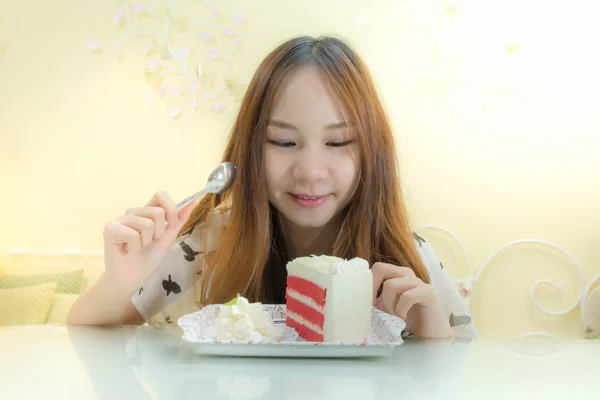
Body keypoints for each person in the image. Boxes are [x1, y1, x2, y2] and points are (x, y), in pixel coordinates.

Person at [67, 35, 477, 339]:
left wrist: (435, 340)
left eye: (337, 143)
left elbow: (472, 375)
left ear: (373, 151)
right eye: (283, 142)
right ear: (250, 148)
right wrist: (119, 282)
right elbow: (88, 340)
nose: (311, 171)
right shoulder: (209, 244)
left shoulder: (408, 255)